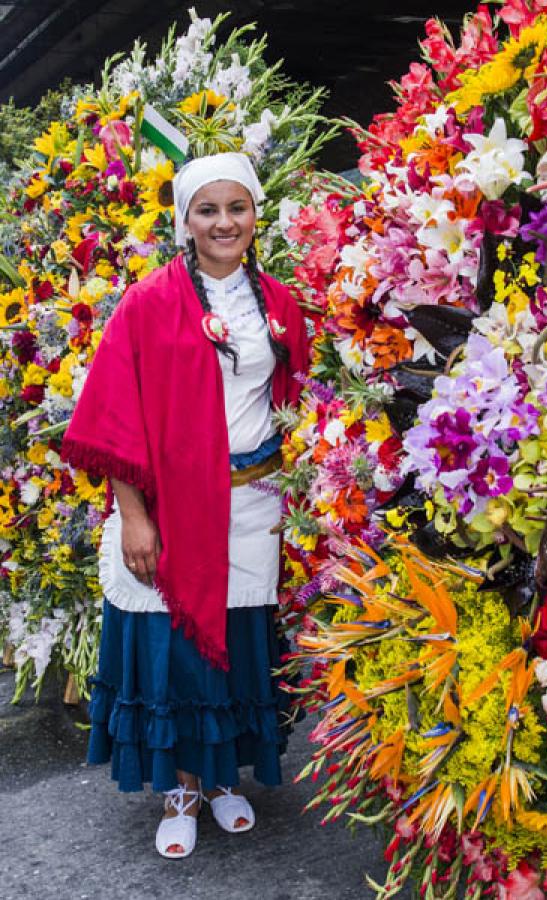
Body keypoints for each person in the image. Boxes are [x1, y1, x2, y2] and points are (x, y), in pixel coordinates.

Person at [61, 152, 309, 859]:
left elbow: (294, 403)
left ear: (256, 215)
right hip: (170, 506)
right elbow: (113, 416)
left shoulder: (281, 303)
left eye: (237, 208)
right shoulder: (148, 302)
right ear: (186, 220)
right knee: (173, 654)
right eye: (208, 210)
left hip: (254, 501)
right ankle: (180, 788)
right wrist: (135, 515)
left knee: (238, 649)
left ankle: (224, 779)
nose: (224, 222)